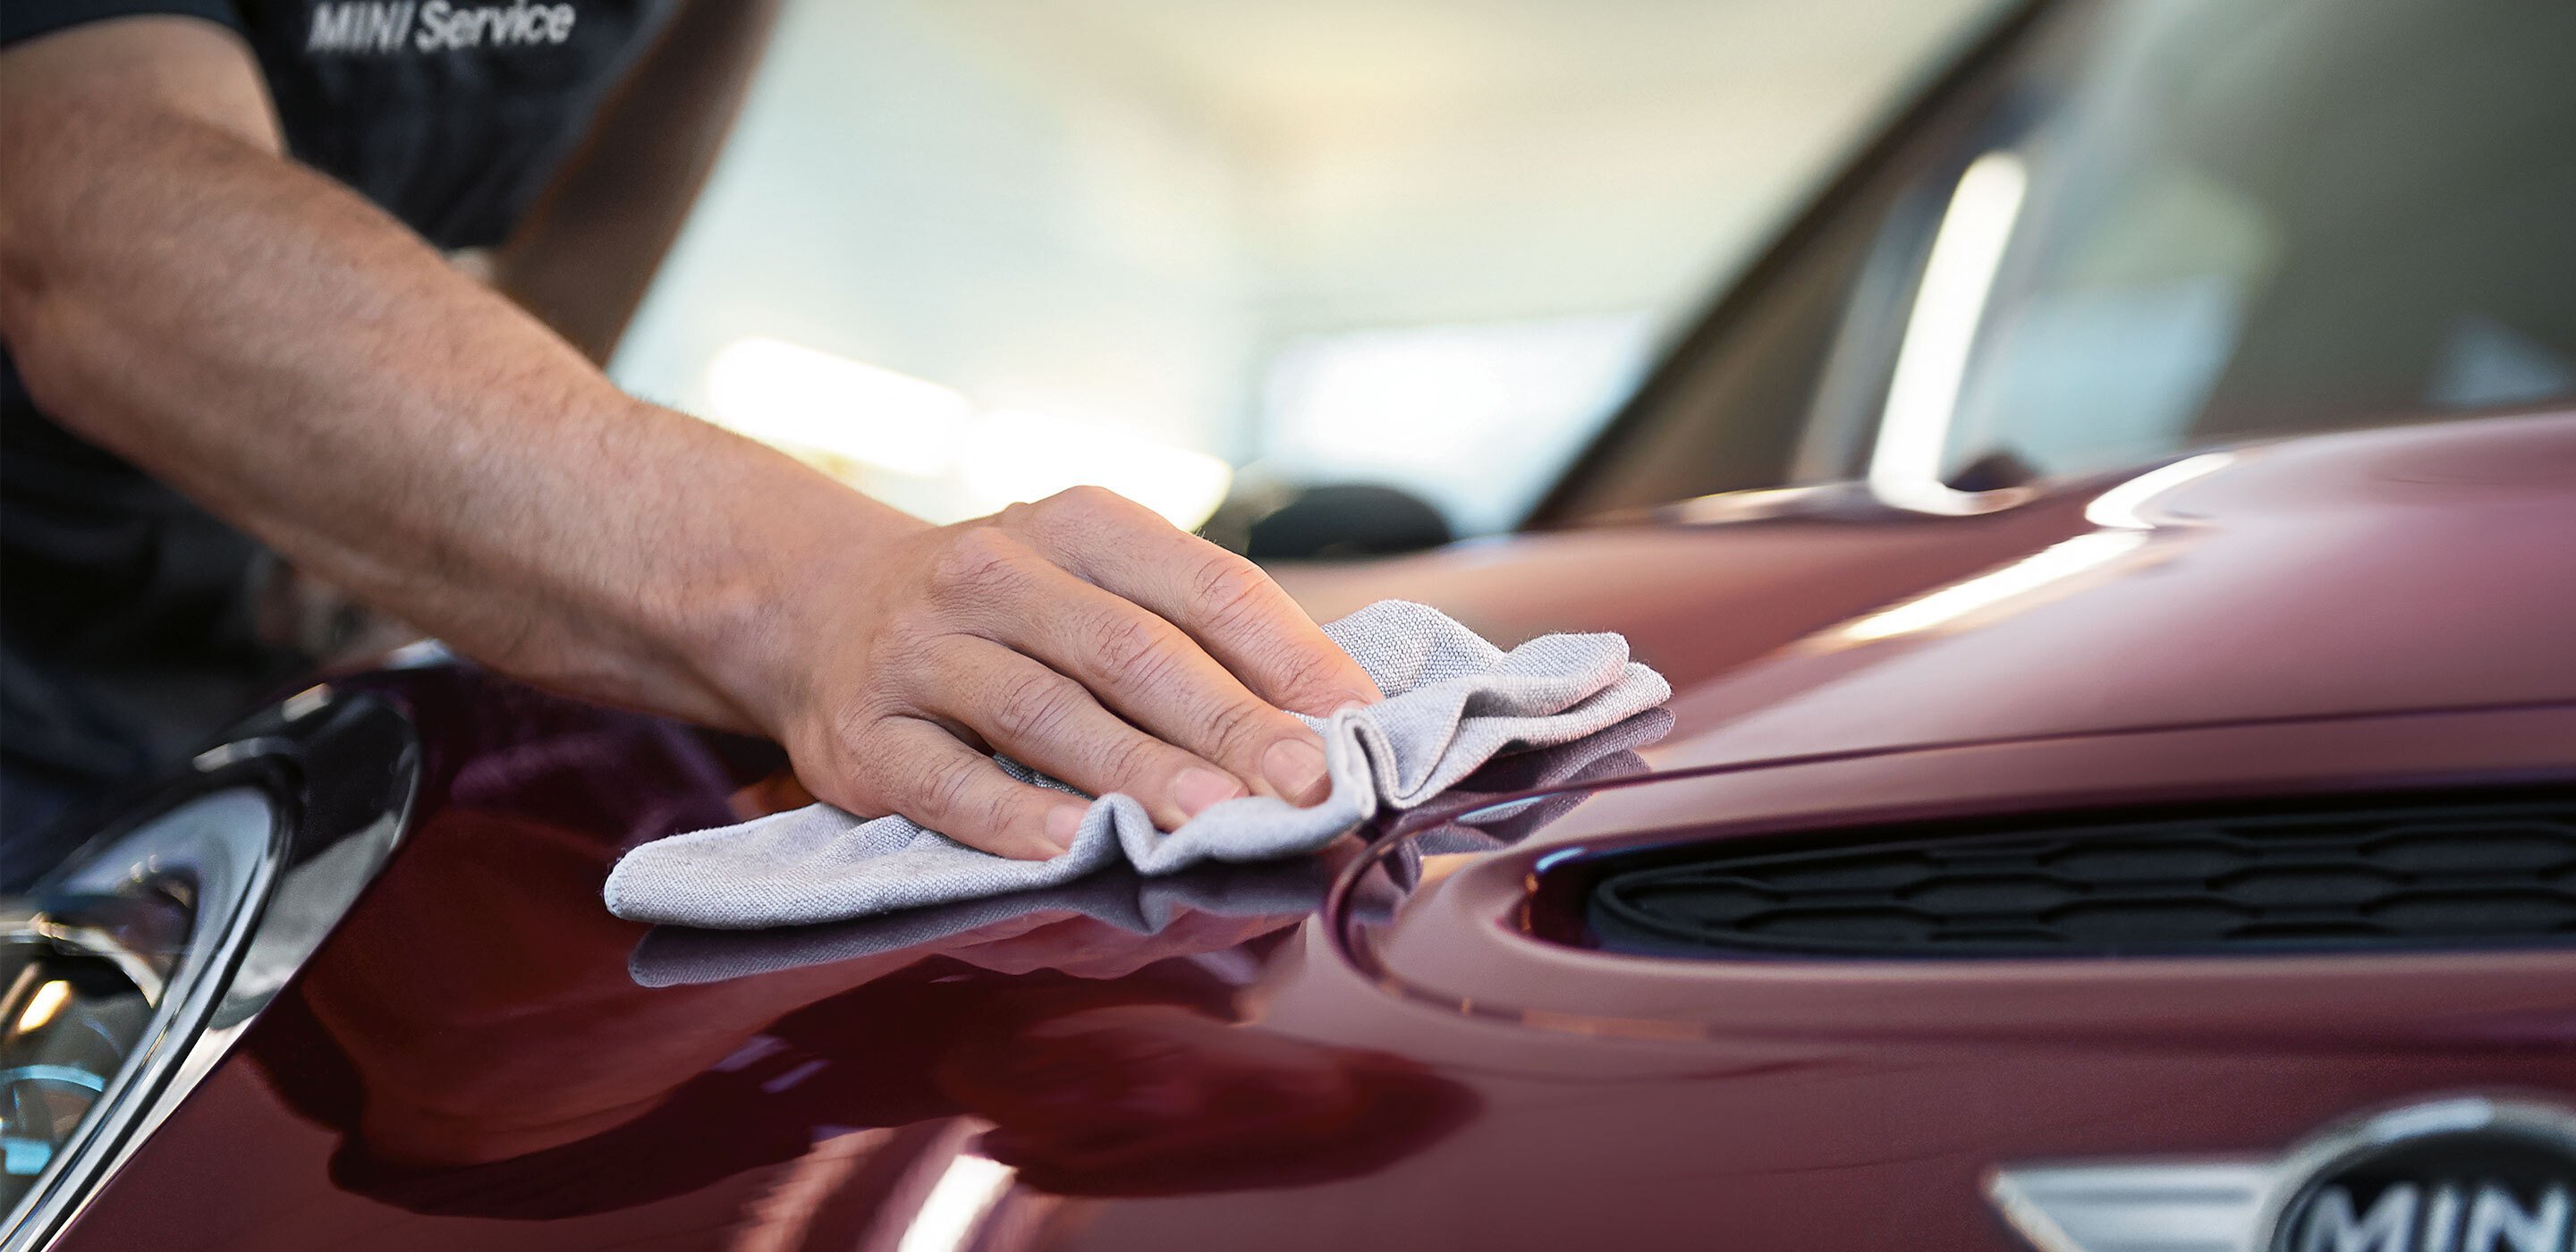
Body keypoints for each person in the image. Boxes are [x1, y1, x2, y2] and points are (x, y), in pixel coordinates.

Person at [0, 1, 1383, 868]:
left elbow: (619, 178)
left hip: (247, 646)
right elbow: (81, 217)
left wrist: (430, 533)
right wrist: (807, 583)